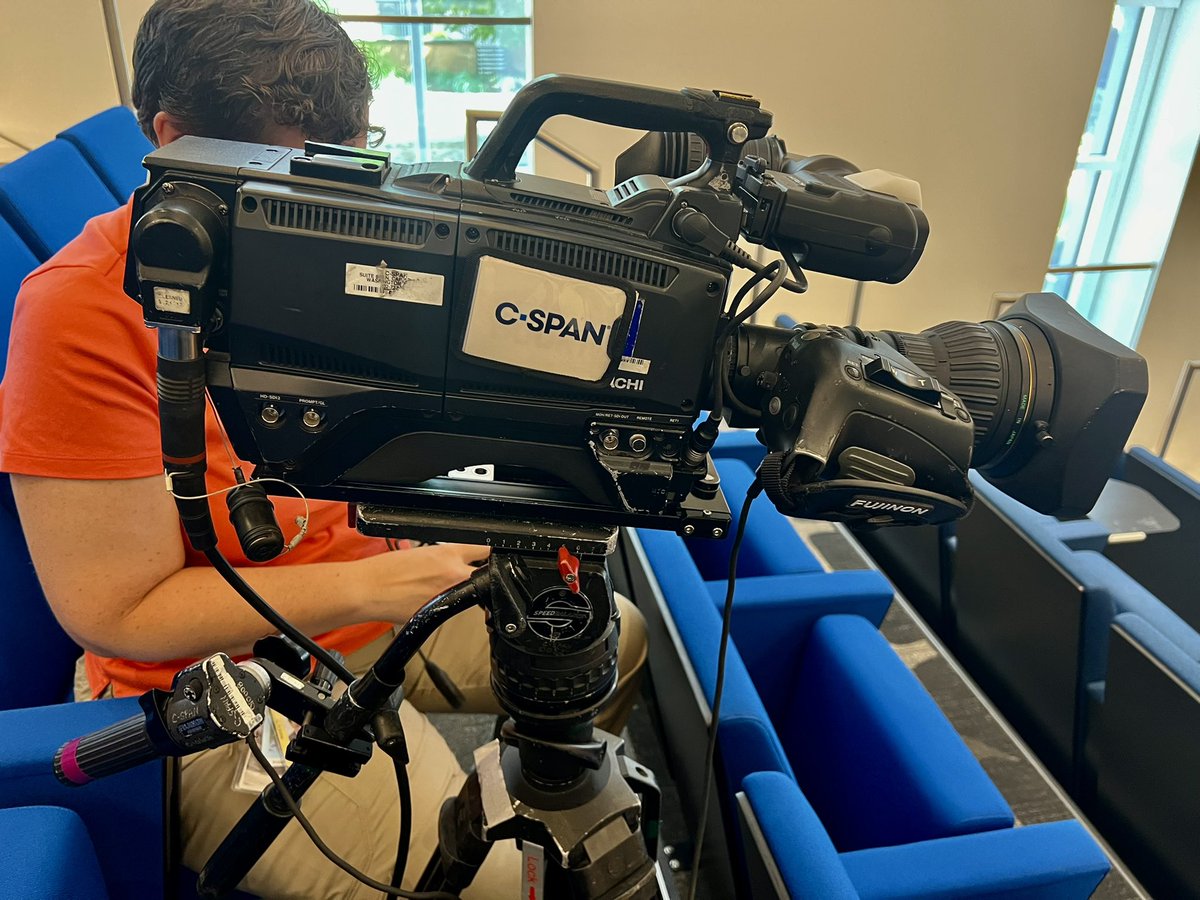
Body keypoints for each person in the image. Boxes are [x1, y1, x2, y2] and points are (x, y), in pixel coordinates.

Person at [0, 1, 647, 897]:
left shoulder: (315, 243)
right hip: (217, 689)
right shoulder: (77, 311)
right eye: (285, 175)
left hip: (359, 599)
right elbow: (116, 612)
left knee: (606, 638)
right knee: (502, 883)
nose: (318, 203)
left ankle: (520, 793)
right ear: (172, 138)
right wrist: (373, 584)